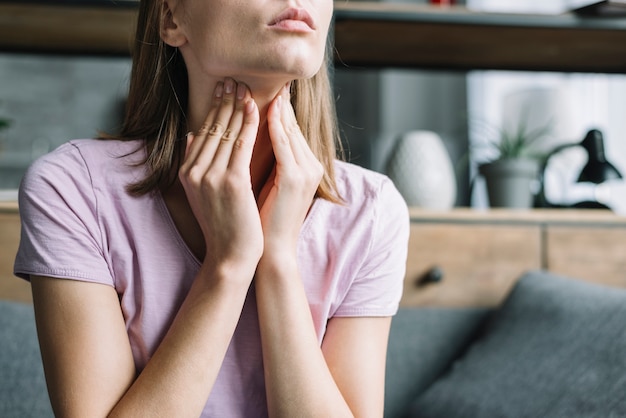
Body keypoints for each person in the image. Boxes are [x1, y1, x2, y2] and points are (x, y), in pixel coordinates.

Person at [14, 0, 409, 416]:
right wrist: (229, 265)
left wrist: (277, 262)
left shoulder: (371, 211)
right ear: (171, 18)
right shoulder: (73, 191)